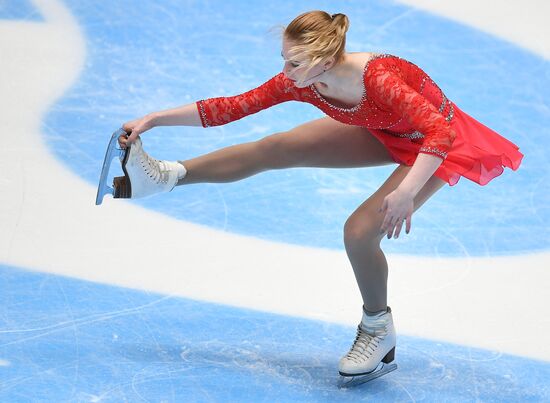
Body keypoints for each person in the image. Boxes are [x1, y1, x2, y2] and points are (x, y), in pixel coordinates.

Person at [114, 10, 524, 380]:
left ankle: (377, 328)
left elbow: (440, 131)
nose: (285, 71)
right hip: (387, 131)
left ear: (326, 61)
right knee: (278, 146)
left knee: (360, 231)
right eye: (284, 59)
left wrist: (406, 192)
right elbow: (232, 106)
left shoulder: (378, 79)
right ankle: (165, 177)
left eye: (293, 63)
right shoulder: (305, 80)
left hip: (434, 146)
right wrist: (155, 120)